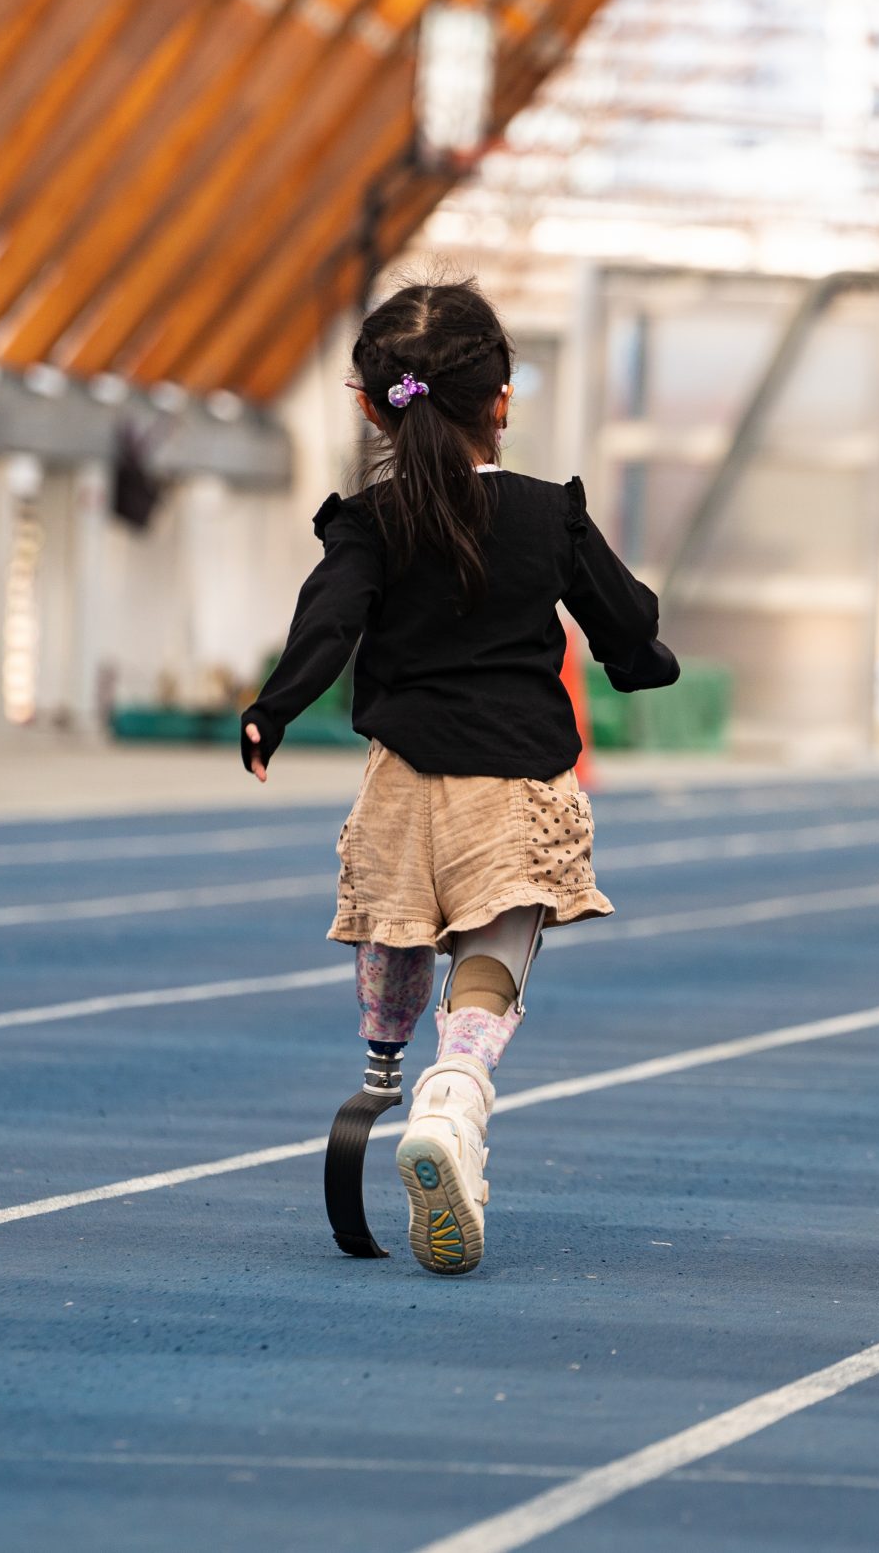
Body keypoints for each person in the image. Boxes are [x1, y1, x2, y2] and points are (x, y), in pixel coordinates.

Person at [239, 279, 677, 1275]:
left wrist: (272, 709)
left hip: (402, 784)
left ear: (369, 407)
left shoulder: (365, 523)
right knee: (492, 953)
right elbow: (625, 619)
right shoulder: (543, 514)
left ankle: (382, 1063)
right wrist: (642, 656)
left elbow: (329, 624)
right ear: (504, 401)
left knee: (398, 922)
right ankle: (453, 1097)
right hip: (513, 783)